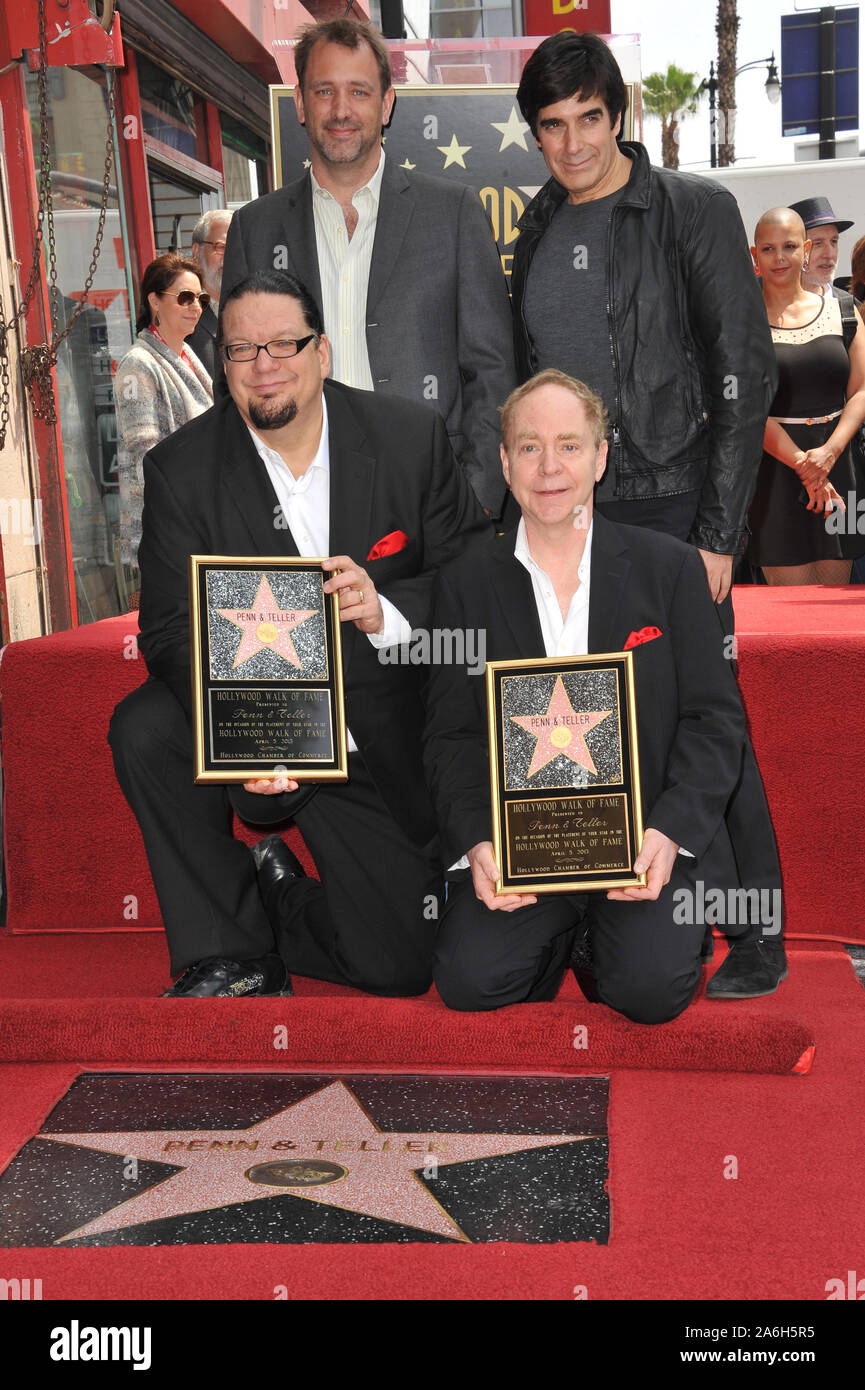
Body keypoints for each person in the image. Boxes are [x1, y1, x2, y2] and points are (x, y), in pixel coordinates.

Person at [108, 270, 489, 999]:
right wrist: (241, 733)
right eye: (243, 349)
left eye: (283, 345)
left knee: (401, 966)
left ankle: (277, 893)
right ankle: (230, 949)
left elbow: (475, 574)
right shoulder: (182, 469)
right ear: (223, 364)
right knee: (146, 726)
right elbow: (167, 630)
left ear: (321, 352)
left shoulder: (407, 437)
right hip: (264, 724)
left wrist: (389, 607)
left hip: (374, 734)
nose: (263, 366)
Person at [509, 31, 784, 998]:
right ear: (534, 132)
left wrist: (717, 531)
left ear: (616, 112)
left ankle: (755, 930)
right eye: (552, 125)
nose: (573, 142)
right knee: (609, 716)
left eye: (589, 117)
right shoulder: (535, 229)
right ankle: (619, 904)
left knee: (708, 713)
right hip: (574, 511)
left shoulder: (690, 209)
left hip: (673, 503)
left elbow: (743, 370)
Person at [423, 372, 786, 1021]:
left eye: (568, 445)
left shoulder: (668, 568)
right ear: (504, 461)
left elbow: (713, 718)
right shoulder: (465, 582)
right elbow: (450, 736)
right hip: (521, 854)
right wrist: (478, 842)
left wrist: (668, 835)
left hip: (640, 845)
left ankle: (596, 947)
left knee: (648, 995)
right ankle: (561, 935)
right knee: (469, 984)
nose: (548, 467)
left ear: (600, 456)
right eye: (528, 447)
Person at [221, 18, 516, 518]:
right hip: (297, 507)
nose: (341, 110)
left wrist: (475, 503)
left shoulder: (453, 214)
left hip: (430, 501)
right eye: (324, 91)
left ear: (386, 105)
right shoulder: (255, 228)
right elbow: (231, 376)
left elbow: (492, 373)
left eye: (359, 91)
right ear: (300, 103)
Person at [748, 207, 865, 586]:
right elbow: (744, 408)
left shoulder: (844, 310)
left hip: (840, 467)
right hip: (775, 476)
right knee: (790, 618)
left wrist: (829, 453)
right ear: (754, 255)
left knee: (838, 612)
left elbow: (861, 390)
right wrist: (805, 466)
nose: (779, 258)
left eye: (789, 246)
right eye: (768, 249)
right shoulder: (738, 324)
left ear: (806, 248)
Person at [113, 254, 213, 567]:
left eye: (201, 298)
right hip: (165, 535)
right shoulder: (138, 365)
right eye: (184, 298)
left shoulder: (187, 357)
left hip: (199, 522)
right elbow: (145, 457)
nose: (195, 306)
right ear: (155, 301)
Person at [188, 208, 233, 377]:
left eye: (235, 248)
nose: (229, 256)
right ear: (197, 252)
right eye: (221, 247)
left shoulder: (254, 307)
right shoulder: (181, 307)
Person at [788, 196, 852, 299]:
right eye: (817, 244)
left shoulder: (850, 306)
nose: (829, 254)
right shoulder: (763, 308)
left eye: (833, 241)